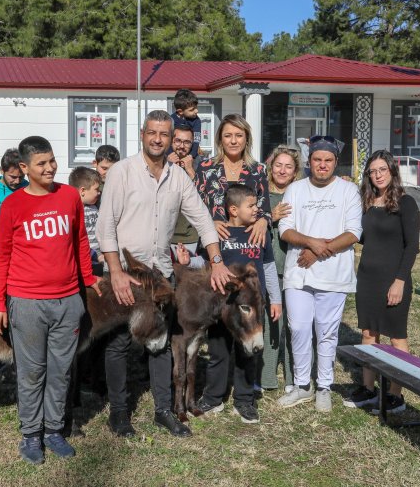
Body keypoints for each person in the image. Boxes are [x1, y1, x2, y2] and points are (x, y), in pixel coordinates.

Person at [96, 110, 234, 438]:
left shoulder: (177, 176)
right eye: (152, 133)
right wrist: (114, 271)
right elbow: (106, 227)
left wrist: (216, 260)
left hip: (160, 275)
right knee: (116, 345)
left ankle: (162, 410)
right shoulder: (122, 172)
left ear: (172, 139)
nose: (158, 139)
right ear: (142, 134)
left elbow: (202, 218)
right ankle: (118, 413)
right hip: (125, 272)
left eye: (164, 134)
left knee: (159, 343)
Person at [0, 136, 101, 465]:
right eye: (41, 163)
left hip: (67, 302)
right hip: (26, 304)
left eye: (52, 160)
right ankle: (31, 434)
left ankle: (54, 430)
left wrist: (88, 279)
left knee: (61, 371)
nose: (50, 167)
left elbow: (80, 240)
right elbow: (2, 257)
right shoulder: (13, 205)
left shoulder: (69, 197)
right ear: (24, 168)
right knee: (32, 372)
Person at [177, 184, 282, 423]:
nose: (257, 210)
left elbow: (268, 267)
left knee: (248, 354)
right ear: (233, 210)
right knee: (218, 351)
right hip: (222, 307)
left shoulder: (260, 233)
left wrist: (275, 299)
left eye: (257, 205)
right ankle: (213, 397)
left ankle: (245, 400)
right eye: (252, 205)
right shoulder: (218, 235)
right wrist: (188, 261)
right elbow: (205, 264)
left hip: (252, 307)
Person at [276, 135, 362, 412]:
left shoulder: (348, 191)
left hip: (334, 273)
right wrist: (311, 243)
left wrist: (317, 251)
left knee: (326, 332)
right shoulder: (295, 190)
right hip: (298, 273)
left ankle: (324, 385)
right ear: (309, 161)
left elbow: (353, 233)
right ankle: (303, 385)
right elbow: (285, 229)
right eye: (317, 160)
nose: (322, 165)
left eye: (328, 160)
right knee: (299, 328)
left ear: (336, 162)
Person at [343, 150, 420, 414]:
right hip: (367, 278)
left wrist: (399, 281)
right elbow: (363, 237)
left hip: (393, 279)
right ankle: (368, 389)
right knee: (368, 333)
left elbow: (412, 248)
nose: (377, 175)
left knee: (397, 338)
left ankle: (395, 395)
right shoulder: (367, 201)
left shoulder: (406, 203)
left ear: (392, 171)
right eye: (372, 171)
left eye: (382, 170)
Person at [259, 145, 301, 393]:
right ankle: (266, 377)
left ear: (295, 172)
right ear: (270, 166)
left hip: (295, 267)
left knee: (294, 324)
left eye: (288, 166)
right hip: (269, 267)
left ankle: (293, 378)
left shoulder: (299, 196)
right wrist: (269, 217)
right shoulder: (262, 195)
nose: (282, 170)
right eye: (278, 165)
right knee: (270, 322)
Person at [195, 113, 271, 247]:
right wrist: (210, 223)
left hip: (248, 244)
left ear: (247, 139)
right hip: (213, 243)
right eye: (228, 135)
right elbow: (195, 208)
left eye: (239, 135)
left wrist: (263, 221)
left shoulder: (258, 170)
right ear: (220, 140)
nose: (233, 141)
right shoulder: (205, 169)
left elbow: (265, 209)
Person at [168, 123, 203, 264]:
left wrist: (190, 171)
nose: (182, 146)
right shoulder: (160, 163)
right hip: (165, 236)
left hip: (191, 236)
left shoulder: (200, 165)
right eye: (178, 141)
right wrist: (167, 167)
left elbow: (205, 198)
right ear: (171, 140)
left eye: (187, 142)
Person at [68, 166, 103, 274]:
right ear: (83, 191)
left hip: (99, 252)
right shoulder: (72, 209)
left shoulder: (94, 206)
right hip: (86, 255)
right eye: (96, 189)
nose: (99, 193)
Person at [171, 89, 202, 159]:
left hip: (191, 156)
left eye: (196, 107)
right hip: (172, 156)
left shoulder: (196, 121)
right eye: (192, 109)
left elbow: (196, 141)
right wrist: (172, 156)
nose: (196, 111)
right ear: (180, 111)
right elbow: (168, 140)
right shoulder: (170, 121)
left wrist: (191, 156)